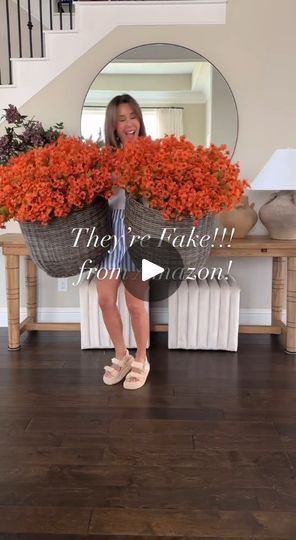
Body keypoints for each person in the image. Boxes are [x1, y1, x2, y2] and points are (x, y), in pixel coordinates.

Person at [97, 94, 150, 390]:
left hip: (140, 230)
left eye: (133, 116)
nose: (129, 123)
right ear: (113, 126)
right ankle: (122, 354)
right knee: (105, 299)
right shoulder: (105, 158)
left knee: (136, 304)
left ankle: (142, 358)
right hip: (109, 229)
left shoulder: (153, 152)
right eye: (121, 119)